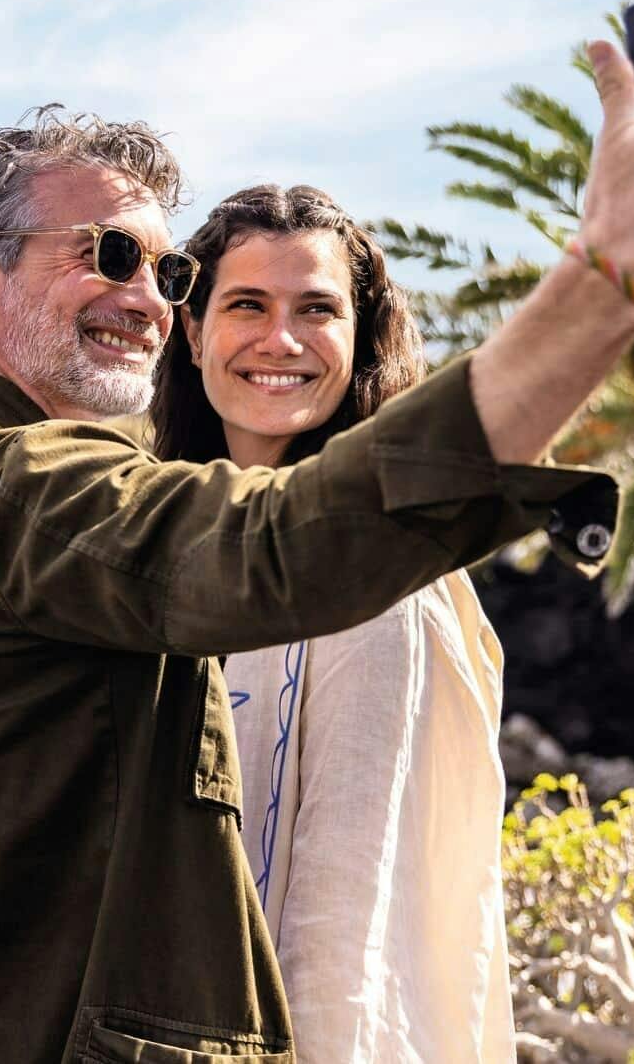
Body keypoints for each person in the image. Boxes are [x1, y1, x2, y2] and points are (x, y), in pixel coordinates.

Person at [0, 46, 634, 1062]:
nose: (150, 298)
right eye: (108, 254)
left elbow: (363, 930)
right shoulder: (5, 488)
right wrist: (608, 283)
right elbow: (274, 547)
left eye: (169, 270)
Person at [152, 185, 515, 1061]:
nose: (281, 341)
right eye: (246, 305)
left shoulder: (379, 581)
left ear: (358, 340)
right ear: (193, 331)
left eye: (317, 309)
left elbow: (351, 914)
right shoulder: (157, 540)